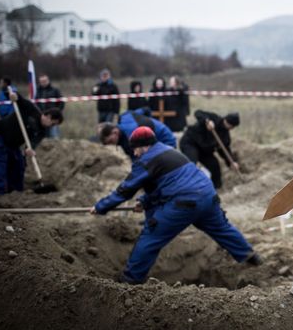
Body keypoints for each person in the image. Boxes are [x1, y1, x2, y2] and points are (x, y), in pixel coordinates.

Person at [90, 126, 262, 284]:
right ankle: (249, 256)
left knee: (151, 236)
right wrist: (144, 201)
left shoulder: (146, 160)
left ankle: (130, 279)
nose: (134, 153)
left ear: (144, 146)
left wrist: (101, 206)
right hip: (208, 196)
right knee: (222, 228)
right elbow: (165, 184)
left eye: (135, 148)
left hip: (185, 202)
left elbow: (125, 190)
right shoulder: (170, 151)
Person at [0, 91, 63, 194]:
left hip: (12, 144)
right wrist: (14, 95)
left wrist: (29, 149)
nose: (51, 126)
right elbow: (18, 97)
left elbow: (31, 145)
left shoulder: (42, 131)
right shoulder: (31, 109)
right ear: (48, 116)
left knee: (19, 164)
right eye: (52, 124)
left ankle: (15, 193)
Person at [180, 110, 240, 190]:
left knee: (214, 165)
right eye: (229, 124)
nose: (230, 127)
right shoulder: (214, 118)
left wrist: (231, 162)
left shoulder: (225, 137)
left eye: (232, 127)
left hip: (204, 151)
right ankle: (184, 186)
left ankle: (215, 188)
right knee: (191, 163)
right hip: (191, 143)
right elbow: (198, 113)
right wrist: (207, 121)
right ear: (225, 120)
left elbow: (224, 150)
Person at [99, 108, 176, 160]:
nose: (111, 144)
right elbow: (145, 109)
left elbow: (139, 160)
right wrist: (149, 121)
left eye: (110, 141)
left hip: (165, 139)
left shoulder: (131, 137)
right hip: (162, 128)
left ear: (114, 132)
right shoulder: (124, 116)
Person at [35, 74, 65, 139]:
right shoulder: (37, 92)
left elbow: (61, 101)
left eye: (45, 81)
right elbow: (35, 103)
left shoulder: (55, 90)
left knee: (54, 136)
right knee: (43, 137)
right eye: (42, 81)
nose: (43, 83)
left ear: (48, 80)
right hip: (42, 117)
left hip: (53, 117)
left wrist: (58, 112)